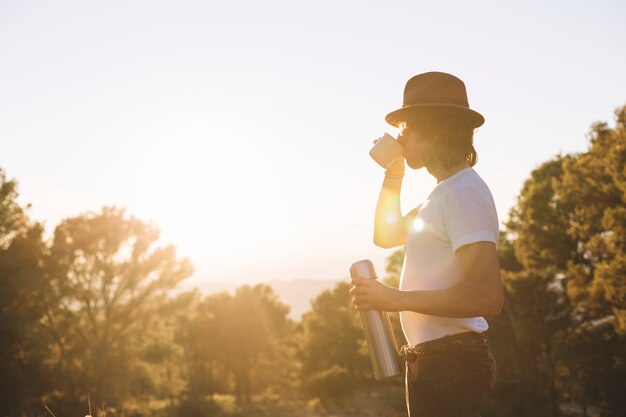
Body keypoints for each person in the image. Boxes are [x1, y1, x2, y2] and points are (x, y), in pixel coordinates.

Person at [349, 72, 503, 417]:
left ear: (436, 129)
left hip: (452, 364)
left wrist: (396, 300)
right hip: (434, 363)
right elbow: (386, 235)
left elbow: (487, 296)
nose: (399, 137)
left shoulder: (464, 193)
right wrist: (393, 173)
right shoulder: (443, 194)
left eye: (406, 127)